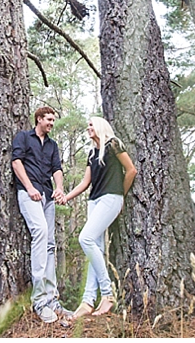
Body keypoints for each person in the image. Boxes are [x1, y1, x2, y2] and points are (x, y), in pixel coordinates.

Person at [64, 116, 137, 318]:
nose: (88, 128)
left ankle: (107, 294)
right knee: (94, 247)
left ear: (100, 127)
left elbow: (131, 170)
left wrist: (121, 195)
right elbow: (85, 183)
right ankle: (87, 301)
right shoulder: (91, 152)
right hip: (94, 201)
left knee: (85, 239)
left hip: (111, 198)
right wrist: (66, 197)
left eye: (90, 125)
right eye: (87, 125)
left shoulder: (113, 144)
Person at [11, 106, 73, 323]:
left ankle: (52, 299)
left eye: (53, 120)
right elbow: (16, 162)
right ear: (38, 119)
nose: (51, 123)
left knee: (49, 244)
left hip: (47, 195)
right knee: (40, 232)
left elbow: (57, 169)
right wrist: (29, 188)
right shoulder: (23, 137)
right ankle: (39, 301)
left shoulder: (53, 145)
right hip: (29, 194)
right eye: (48, 119)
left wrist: (59, 187)